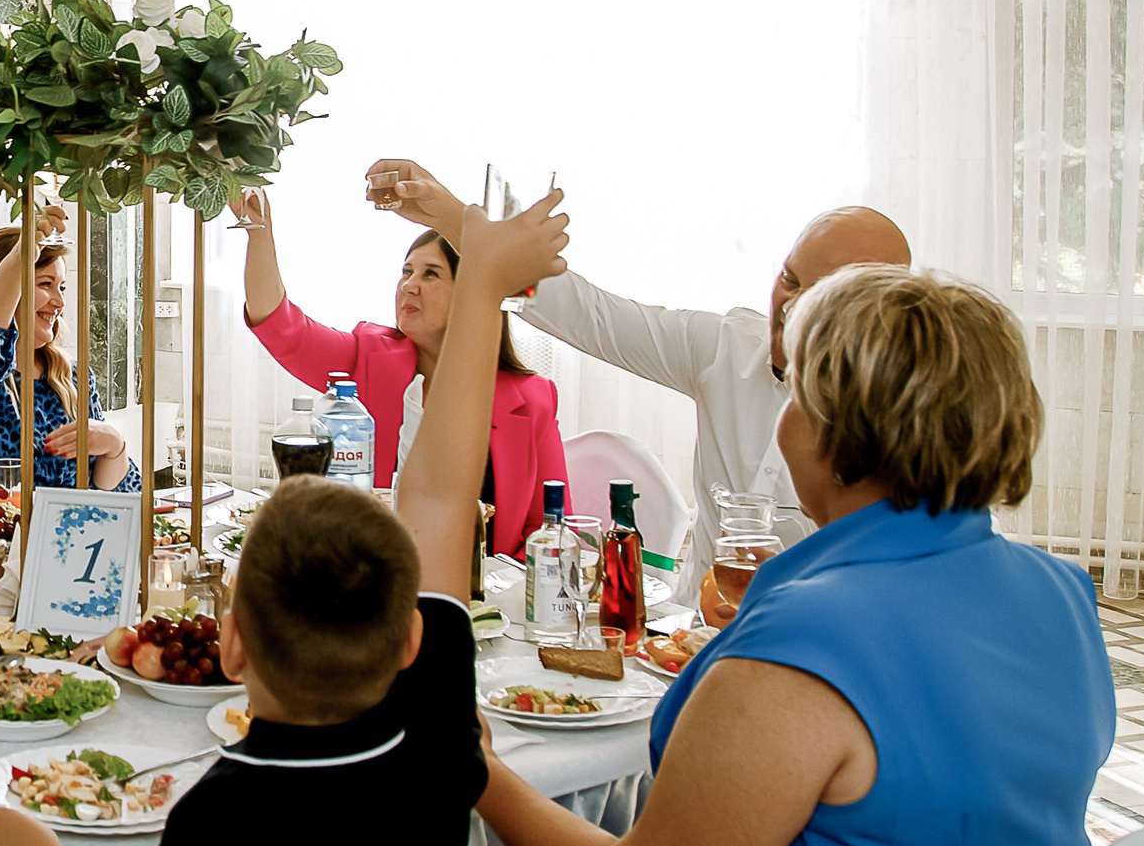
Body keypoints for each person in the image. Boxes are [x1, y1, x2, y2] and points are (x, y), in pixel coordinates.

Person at [0, 196, 571, 846]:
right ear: (409, 639)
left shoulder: (225, 813)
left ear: (232, 644)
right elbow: (439, 498)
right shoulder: (441, 737)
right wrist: (479, 294)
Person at [472, 265, 1111, 846]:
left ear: (841, 435)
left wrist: (479, 768)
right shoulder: (1062, 597)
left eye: (795, 392)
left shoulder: (806, 645)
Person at [368, 157, 908, 607]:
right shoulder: (724, 348)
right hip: (688, 637)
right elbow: (590, 315)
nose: (790, 306)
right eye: (789, 279)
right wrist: (450, 215)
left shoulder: (911, 427)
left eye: (821, 295)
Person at [233, 184, 569, 555]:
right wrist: (258, 232)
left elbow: (551, 526)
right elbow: (280, 326)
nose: (409, 285)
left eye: (430, 274)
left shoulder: (534, 399)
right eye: (407, 271)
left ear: (474, 291)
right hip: (375, 576)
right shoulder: (368, 357)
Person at [0, 205, 131, 523]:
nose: (59, 302)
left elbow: (104, 496)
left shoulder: (72, 375)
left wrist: (114, 444)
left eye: (62, 287)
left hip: (54, 546)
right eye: (45, 284)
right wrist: (21, 256)